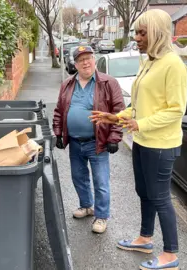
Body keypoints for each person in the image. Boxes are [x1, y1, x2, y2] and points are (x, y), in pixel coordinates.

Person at [90, 9, 187, 270]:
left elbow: (176, 109)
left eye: (142, 32)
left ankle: (170, 254)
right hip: (142, 141)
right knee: (143, 192)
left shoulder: (173, 64)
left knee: (160, 197)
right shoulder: (149, 62)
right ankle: (145, 238)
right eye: (136, 32)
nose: (137, 37)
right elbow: (139, 105)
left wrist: (140, 123)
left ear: (157, 33)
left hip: (162, 145)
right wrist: (115, 117)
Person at [53, 45, 125, 234]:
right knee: (78, 177)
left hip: (97, 141)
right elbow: (59, 111)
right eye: (81, 60)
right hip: (75, 142)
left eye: (89, 58)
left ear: (94, 60)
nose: (86, 62)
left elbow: (119, 112)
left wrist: (114, 137)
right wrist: (58, 133)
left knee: (101, 181)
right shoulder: (68, 84)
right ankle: (86, 206)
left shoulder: (108, 83)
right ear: (75, 64)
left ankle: (101, 216)